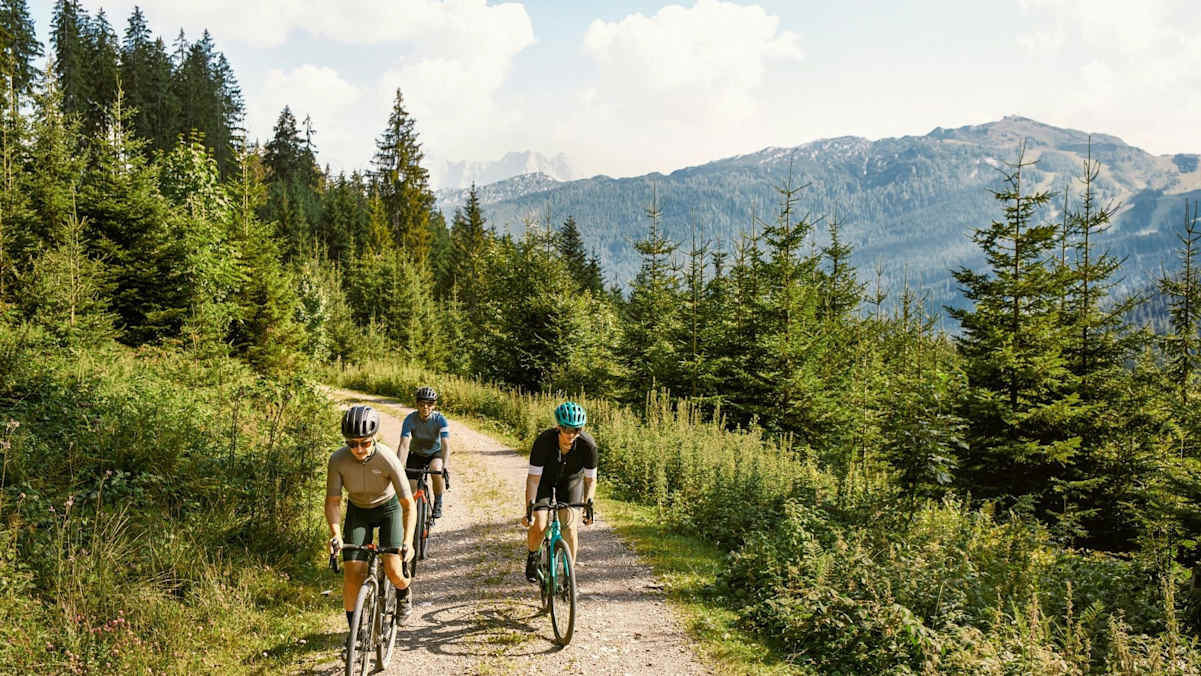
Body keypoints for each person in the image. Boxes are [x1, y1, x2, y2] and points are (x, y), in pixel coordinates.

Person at [325, 405, 416, 632]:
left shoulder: (387, 458)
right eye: (352, 444)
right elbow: (333, 502)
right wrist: (336, 535)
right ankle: (355, 633)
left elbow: (408, 505)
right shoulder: (337, 460)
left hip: (388, 510)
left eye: (364, 443)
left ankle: (404, 591)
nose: (358, 449)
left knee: (394, 570)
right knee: (352, 574)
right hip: (358, 511)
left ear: (374, 438)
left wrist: (408, 541)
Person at [520, 401, 596, 582]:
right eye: (566, 429)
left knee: (569, 527)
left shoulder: (588, 446)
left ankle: (570, 576)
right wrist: (529, 510)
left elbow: (590, 480)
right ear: (558, 427)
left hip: (571, 482)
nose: (571, 434)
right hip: (544, 481)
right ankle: (533, 555)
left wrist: (588, 506)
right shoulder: (543, 442)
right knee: (539, 525)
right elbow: (533, 480)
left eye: (576, 430)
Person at [397, 386, 451, 519]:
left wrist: (445, 465)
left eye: (429, 404)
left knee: (436, 469)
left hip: (434, 453)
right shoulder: (410, 419)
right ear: (417, 404)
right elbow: (404, 444)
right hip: (416, 454)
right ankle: (410, 514)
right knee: (411, 487)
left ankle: (438, 501)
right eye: (422, 404)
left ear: (434, 405)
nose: (425, 407)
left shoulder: (440, 419)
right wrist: (398, 465)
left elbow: (445, 444)